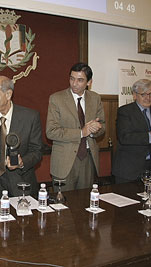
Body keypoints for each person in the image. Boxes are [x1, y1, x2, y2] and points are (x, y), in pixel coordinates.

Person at [46, 62, 105, 191]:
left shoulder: (95, 98)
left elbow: (103, 126)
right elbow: (51, 132)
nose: (74, 83)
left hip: (88, 160)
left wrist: (95, 129)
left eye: (80, 80)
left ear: (89, 82)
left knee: (85, 203)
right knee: (62, 205)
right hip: (64, 162)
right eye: (72, 79)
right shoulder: (57, 99)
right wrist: (81, 132)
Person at [113, 79, 151, 183]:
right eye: (143, 94)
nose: (148, 98)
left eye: (150, 94)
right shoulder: (125, 111)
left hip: (150, 168)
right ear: (135, 95)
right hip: (128, 170)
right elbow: (124, 138)